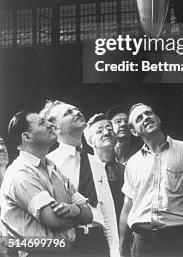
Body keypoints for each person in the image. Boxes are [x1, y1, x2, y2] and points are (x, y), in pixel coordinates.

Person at [0, 111, 92, 257]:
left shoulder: (53, 168)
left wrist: (75, 210)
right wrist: (78, 212)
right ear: (27, 136)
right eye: (43, 123)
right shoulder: (20, 173)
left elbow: (89, 214)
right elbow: (54, 220)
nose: (51, 125)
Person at [119, 103, 183, 257]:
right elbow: (127, 207)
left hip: (178, 239)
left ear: (158, 119)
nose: (146, 118)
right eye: (139, 118)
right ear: (133, 131)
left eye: (148, 113)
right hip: (142, 241)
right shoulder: (132, 163)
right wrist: (120, 247)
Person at [40, 100, 120, 257]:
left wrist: (115, 251)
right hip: (67, 243)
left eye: (76, 109)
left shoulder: (95, 162)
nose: (76, 112)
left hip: (98, 242)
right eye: (67, 113)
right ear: (55, 128)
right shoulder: (49, 164)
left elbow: (107, 211)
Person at [84, 113, 124, 222]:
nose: (106, 133)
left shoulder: (124, 170)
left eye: (109, 128)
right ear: (90, 141)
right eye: (99, 131)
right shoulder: (85, 169)